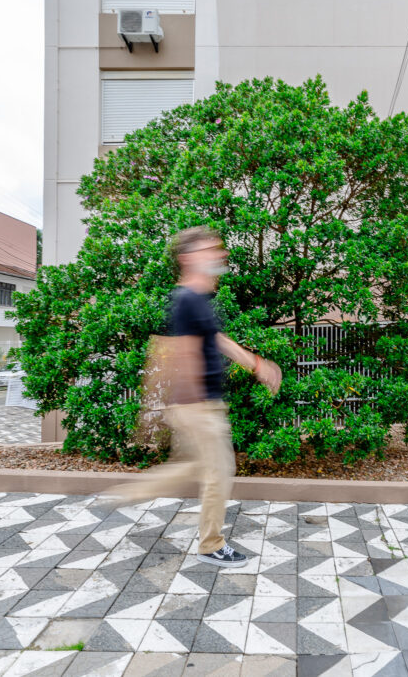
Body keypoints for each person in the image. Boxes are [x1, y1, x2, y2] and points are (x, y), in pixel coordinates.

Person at [107, 226, 281, 568]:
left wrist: (257, 365)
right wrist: (191, 406)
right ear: (188, 258)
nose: (219, 254)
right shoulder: (186, 299)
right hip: (198, 405)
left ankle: (125, 494)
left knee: (194, 467)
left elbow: (216, 338)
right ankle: (210, 545)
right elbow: (175, 353)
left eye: (218, 249)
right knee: (220, 471)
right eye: (209, 250)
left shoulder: (198, 299)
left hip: (198, 405)